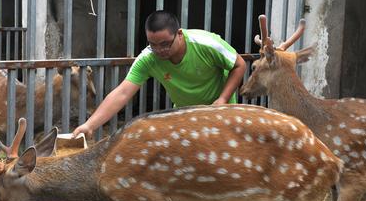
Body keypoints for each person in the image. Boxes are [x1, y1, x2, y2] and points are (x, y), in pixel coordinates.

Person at [72, 10, 246, 138]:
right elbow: (123, 92)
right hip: (185, 116)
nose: (159, 50)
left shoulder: (206, 43)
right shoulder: (148, 58)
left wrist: (222, 99)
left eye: (164, 44)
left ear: (179, 35)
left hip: (221, 111)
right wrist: (90, 125)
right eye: (153, 44)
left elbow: (239, 65)